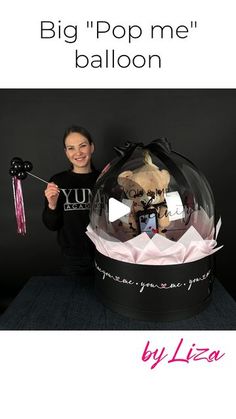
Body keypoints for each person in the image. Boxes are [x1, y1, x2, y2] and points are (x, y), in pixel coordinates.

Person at [42, 126, 100, 279]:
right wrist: (52, 205)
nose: (78, 153)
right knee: (75, 301)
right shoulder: (57, 181)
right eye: (71, 148)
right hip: (73, 260)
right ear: (66, 152)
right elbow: (51, 225)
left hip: (105, 255)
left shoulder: (104, 180)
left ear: (91, 147)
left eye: (83, 145)